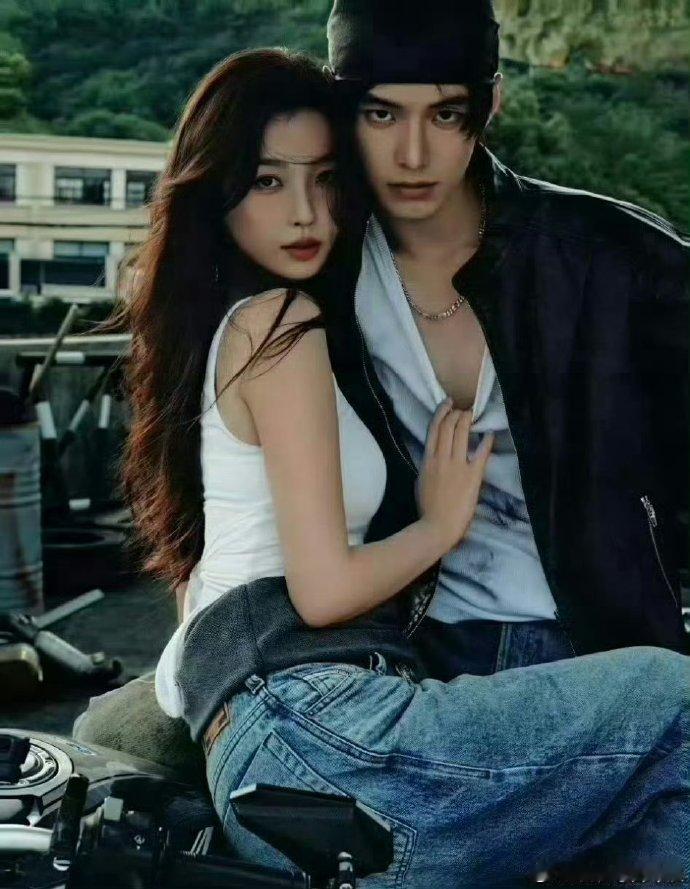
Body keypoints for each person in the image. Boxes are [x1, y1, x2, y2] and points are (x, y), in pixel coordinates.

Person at [111, 47, 690, 885]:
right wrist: (439, 524)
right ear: (216, 192)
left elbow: (204, 604)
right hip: (323, 731)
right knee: (676, 701)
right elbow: (322, 593)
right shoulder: (281, 324)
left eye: (324, 180)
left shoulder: (230, 329)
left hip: (280, 752)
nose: (305, 213)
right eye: (268, 182)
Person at [319, 0, 689, 683]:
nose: (412, 155)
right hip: (406, 646)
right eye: (382, 114)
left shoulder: (606, 254)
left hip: (598, 643)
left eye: (445, 115)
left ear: (490, 104)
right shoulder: (323, 267)